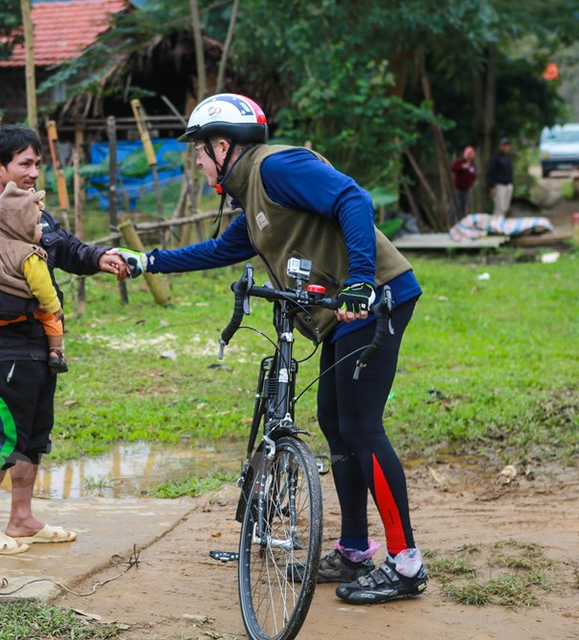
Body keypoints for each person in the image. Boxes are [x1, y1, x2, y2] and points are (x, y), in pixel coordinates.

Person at [118, 93, 427, 605]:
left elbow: (352, 198)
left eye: (199, 150)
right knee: (336, 423)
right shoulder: (253, 195)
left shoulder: (278, 167)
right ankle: (354, 549)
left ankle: (406, 562)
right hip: (339, 315)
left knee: (362, 427)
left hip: (374, 300)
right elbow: (221, 248)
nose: (196, 161)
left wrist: (360, 282)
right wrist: (147, 261)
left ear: (223, 146)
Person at [0, 125, 129, 555]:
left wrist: (98, 256)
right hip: (9, 346)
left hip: (39, 345)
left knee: (34, 433)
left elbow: (64, 247)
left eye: (36, 163)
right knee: (5, 435)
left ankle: (22, 518)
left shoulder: (34, 211)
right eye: (24, 164)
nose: (34, 172)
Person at [0, 181, 68, 378]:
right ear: (21, 228)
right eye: (36, 224)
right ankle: (56, 352)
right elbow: (42, 286)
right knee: (52, 320)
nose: (40, 229)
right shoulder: (30, 255)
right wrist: (54, 306)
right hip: (25, 312)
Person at [488, 137, 514, 220]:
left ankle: (501, 224)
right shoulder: (495, 158)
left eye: (507, 145)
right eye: (504, 145)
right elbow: (491, 172)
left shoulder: (508, 158)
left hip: (508, 184)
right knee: (499, 207)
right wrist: (491, 186)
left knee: (505, 207)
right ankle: (496, 224)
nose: (505, 147)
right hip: (499, 185)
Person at [449, 146, 476, 224]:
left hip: (466, 188)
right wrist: (462, 167)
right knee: (454, 205)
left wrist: (472, 182)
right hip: (458, 187)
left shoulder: (472, 165)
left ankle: (462, 222)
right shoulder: (461, 162)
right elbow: (453, 168)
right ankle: (451, 223)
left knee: (463, 206)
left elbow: (473, 175)